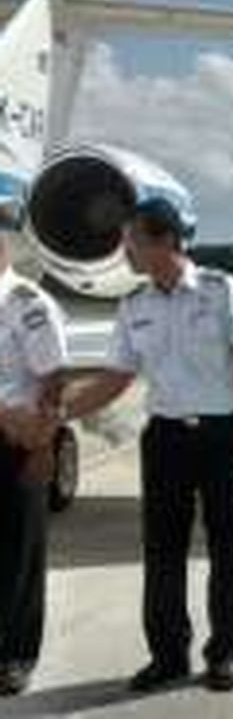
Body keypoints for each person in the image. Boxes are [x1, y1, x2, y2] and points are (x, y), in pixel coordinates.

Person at [64, 195, 233, 693]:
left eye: (132, 240)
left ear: (166, 241)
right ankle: (168, 654)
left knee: (229, 547)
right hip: (166, 438)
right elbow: (115, 378)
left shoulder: (224, 292)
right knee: (162, 550)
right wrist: (58, 413)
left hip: (222, 435)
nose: (125, 251)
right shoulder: (135, 306)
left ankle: (225, 652)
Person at [0, 229, 66, 696]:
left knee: (19, 552)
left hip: (16, 440)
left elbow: (54, 377)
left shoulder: (26, 302)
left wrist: (44, 447)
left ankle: (16, 656)